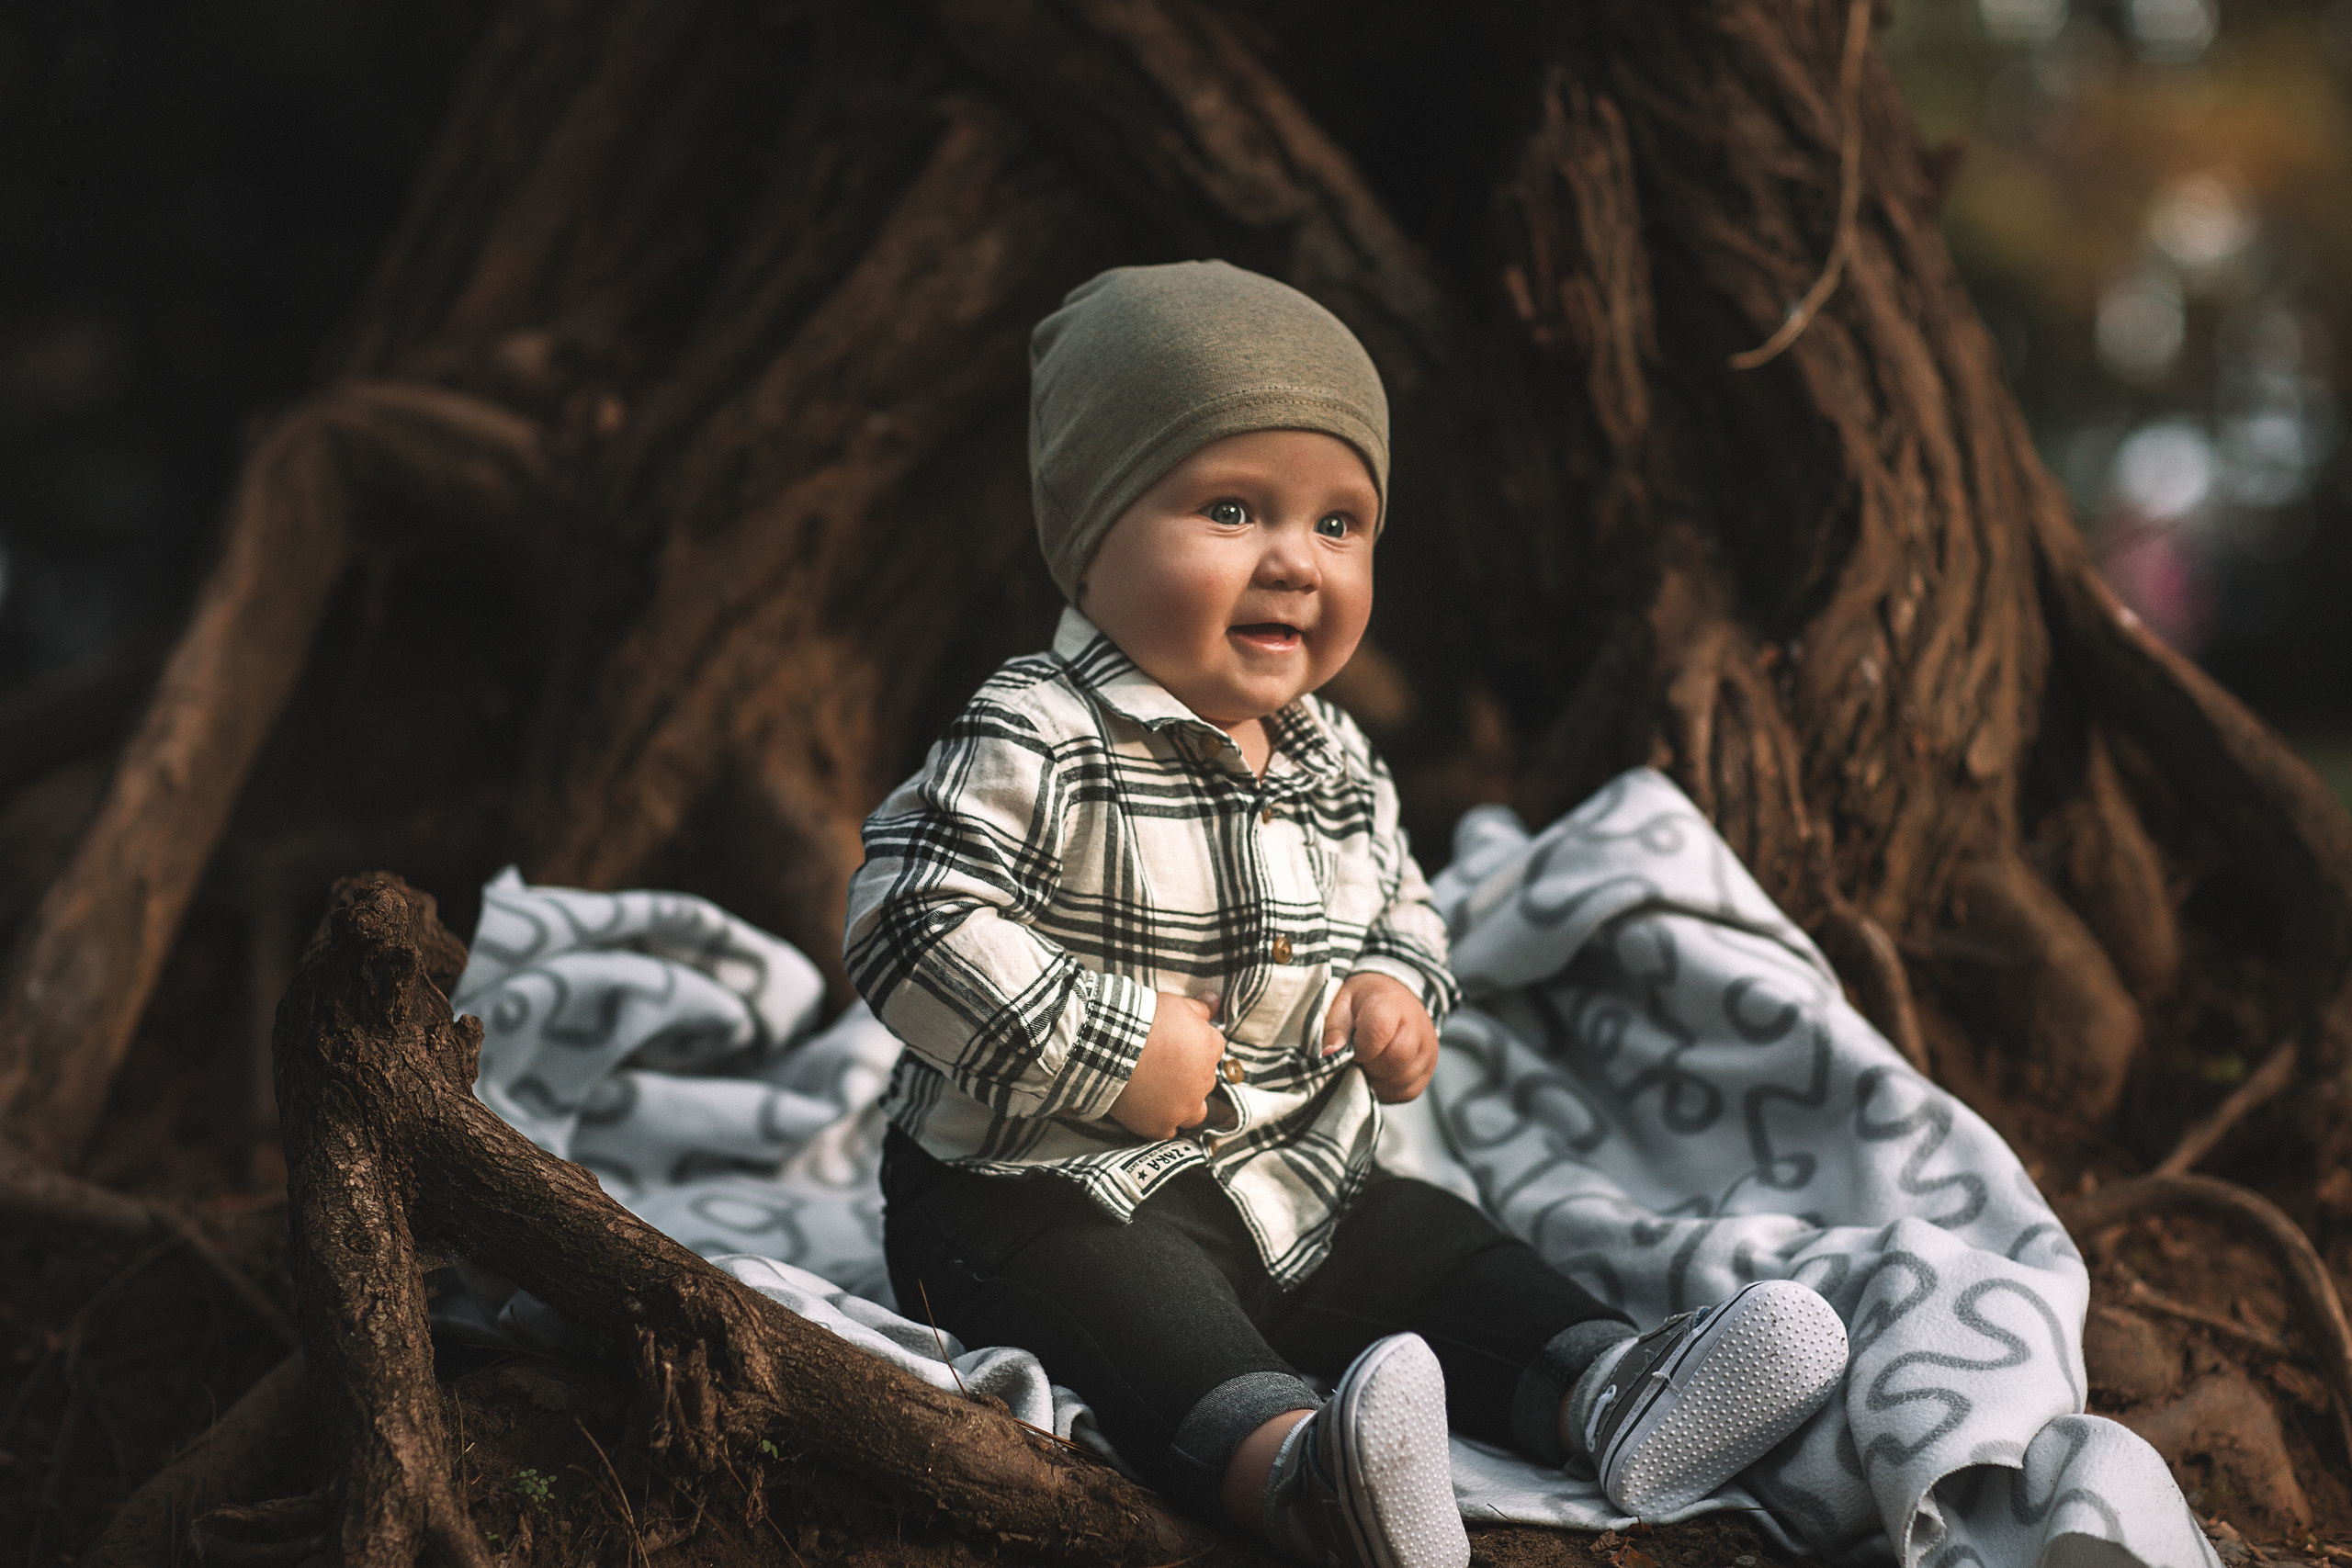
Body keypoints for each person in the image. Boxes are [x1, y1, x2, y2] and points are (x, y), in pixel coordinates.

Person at [843, 261, 1848, 1568]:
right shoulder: (1036, 728)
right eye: (1230, 508)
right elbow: (909, 915)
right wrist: (1111, 1043)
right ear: (1091, 535)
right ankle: (1304, 1477)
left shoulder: (1329, 754)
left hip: (1290, 1174)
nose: (1294, 565)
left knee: (1433, 1248)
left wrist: (1395, 991)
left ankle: (1612, 1388)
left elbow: (1401, 906)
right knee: (1139, 1311)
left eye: (1339, 525)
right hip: (1033, 1188)